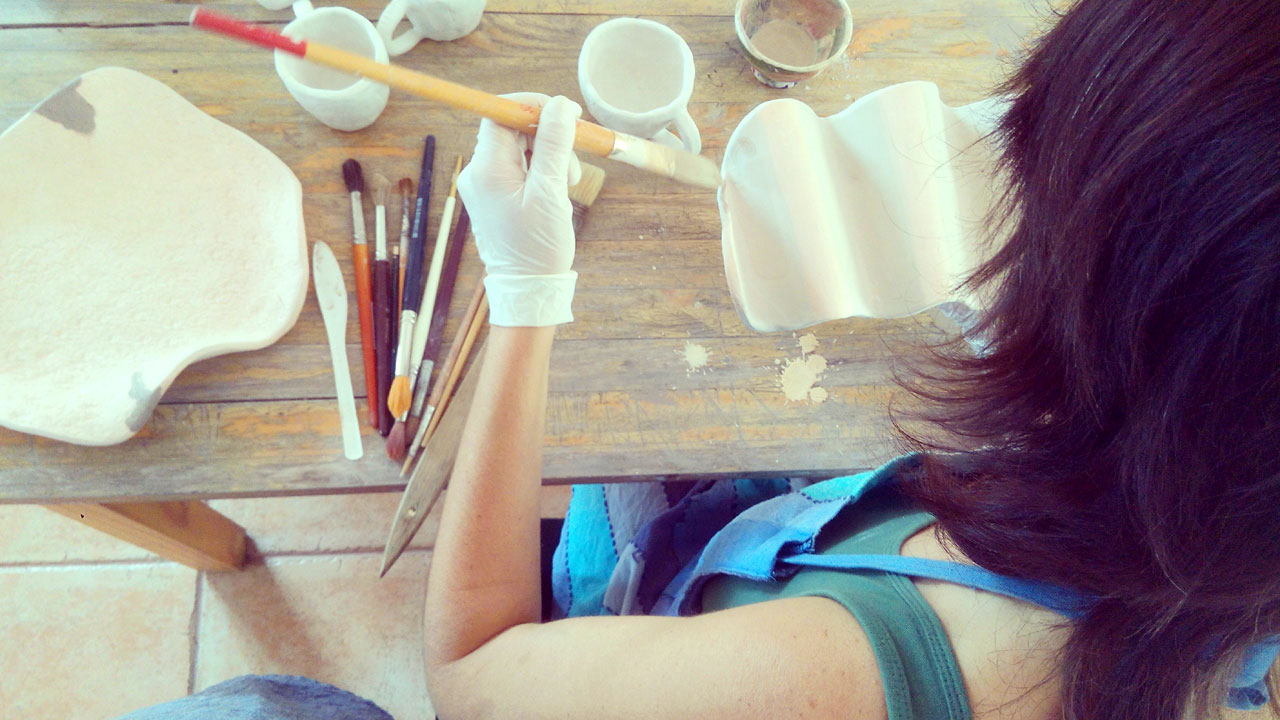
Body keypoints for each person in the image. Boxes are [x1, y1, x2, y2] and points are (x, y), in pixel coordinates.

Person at [422, 0, 1280, 718]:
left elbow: (470, 674)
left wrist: (523, 295)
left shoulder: (841, 673)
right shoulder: (1234, 537)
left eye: (1037, 182)